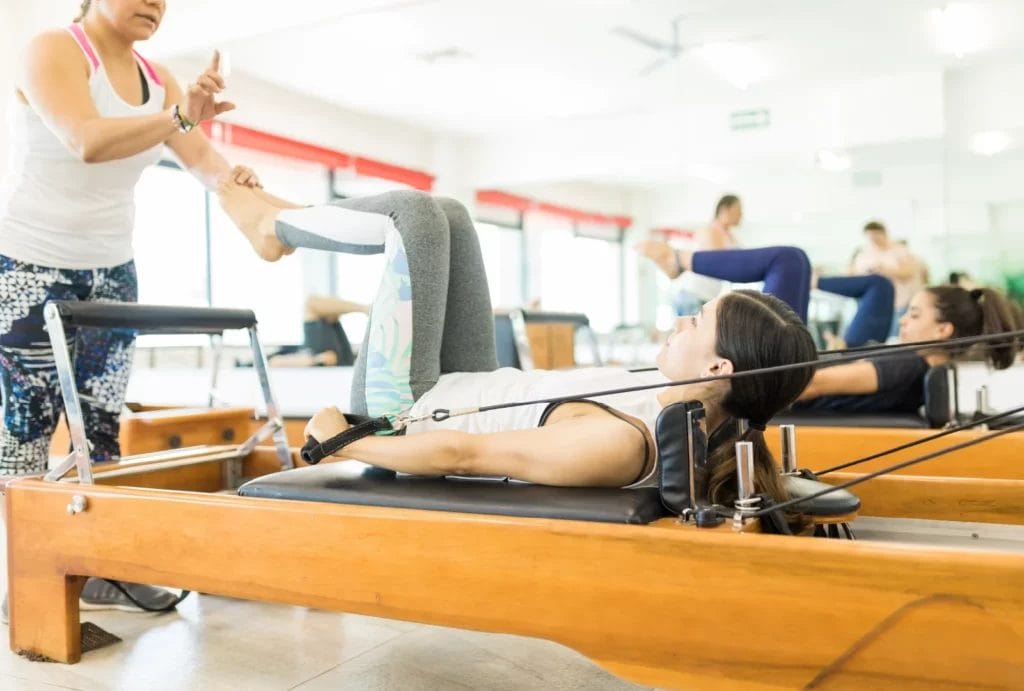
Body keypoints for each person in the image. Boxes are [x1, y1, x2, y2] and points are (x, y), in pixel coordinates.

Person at [216, 183, 819, 502]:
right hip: (476, 379)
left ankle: (272, 228)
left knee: (415, 217)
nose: (681, 319)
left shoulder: (620, 442)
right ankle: (287, 218)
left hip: (410, 410)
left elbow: (463, 456)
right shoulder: (681, 399)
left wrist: (344, 442)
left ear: (718, 365)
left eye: (697, 319)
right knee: (451, 213)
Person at [0, 0, 273, 615]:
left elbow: (204, 164)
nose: (153, 2)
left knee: (100, 432)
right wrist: (177, 118)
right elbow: (87, 141)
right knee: (27, 429)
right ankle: (24, 578)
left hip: (112, 270)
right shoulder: (53, 48)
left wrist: (245, 186)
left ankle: (97, 572)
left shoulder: (160, 80)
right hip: (28, 265)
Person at [796, 286, 1020, 415]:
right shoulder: (917, 365)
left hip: (784, 406)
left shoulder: (903, 364)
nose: (902, 321)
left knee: (791, 261)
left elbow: (809, 384)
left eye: (914, 315)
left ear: (942, 329)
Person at [637, 194, 742, 316]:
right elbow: (722, 263)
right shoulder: (710, 231)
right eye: (738, 210)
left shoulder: (729, 237)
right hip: (694, 296)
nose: (741, 214)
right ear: (724, 209)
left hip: (705, 297)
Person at [849, 221, 926, 337]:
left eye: (876, 236)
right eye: (870, 238)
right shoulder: (864, 254)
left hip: (899, 304)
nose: (874, 240)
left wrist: (886, 270)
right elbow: (853, 275)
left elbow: (909, 272)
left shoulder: (899, 250)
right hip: (874, 306)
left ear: (884, 234)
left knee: (895, 337)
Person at [267, 295, 367, 368]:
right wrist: (316, 360)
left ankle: (367, 310)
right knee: (311, 304)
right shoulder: (263, 362)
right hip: (321, 358)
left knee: (330, 315)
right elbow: (274, 363)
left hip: (329, 358)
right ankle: (367, 309)